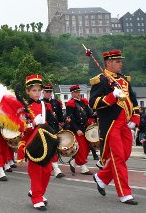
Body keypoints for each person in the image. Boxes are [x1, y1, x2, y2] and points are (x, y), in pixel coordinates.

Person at [89, 50, 140, 205]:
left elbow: (133, 100)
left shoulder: (125, 80)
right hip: (111, 125)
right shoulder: (101, 80)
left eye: (120, 61)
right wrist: (112, 97)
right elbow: (93, 103)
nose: (121, 63)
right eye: (117, 61)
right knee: (118, 159)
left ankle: (102, 177)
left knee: (125, 155)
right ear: (108, 63)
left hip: (124, 123)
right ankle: (125, 193)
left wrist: (135, 119)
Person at [17, 74, 59, 211]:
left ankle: (39, 193)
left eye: (39, 90)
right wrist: (33, 123)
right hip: (31, 142)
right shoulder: (23, 107)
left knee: (47, 171)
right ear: (28, 91)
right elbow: (20, 128)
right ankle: (36, 198)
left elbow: (50, 123)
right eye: (33, 90)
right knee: (36, 171)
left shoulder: (44, 105)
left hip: (44, 140)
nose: (37, 93)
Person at [65, 85, 94, 175]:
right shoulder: (70, 104)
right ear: (72, 93)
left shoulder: (83, 102)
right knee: (81, 148)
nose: (78, 94)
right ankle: (83, 168)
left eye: (79, 92)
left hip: (85, 128)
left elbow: (90, 114)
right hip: (77, 129)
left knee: (86, 148)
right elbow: (71, 119)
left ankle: (73, 161)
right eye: (76, 92)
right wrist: (77, 129)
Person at [40, 84, 65, 178]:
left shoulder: (56, 102)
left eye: (50, 92)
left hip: (54, 128)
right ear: (43, 92)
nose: (48, 93)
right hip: (45, 129)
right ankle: (54, 168)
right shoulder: (41, 103)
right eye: (47, 92)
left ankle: (55, 168)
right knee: (47, 149)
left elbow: (60, 114)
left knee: (54, 149)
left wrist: (63, 121)